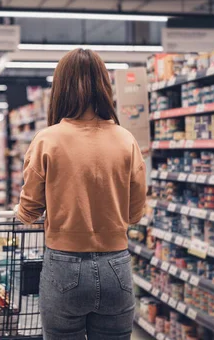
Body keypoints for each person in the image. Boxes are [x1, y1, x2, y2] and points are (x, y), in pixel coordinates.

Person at [15, 48, 147, 340]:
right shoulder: (126, 140)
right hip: (116, 266)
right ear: (104, 85)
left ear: (59, 89)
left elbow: (29, 211)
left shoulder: (47, 140)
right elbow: (135, 213)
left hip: (63, 266)